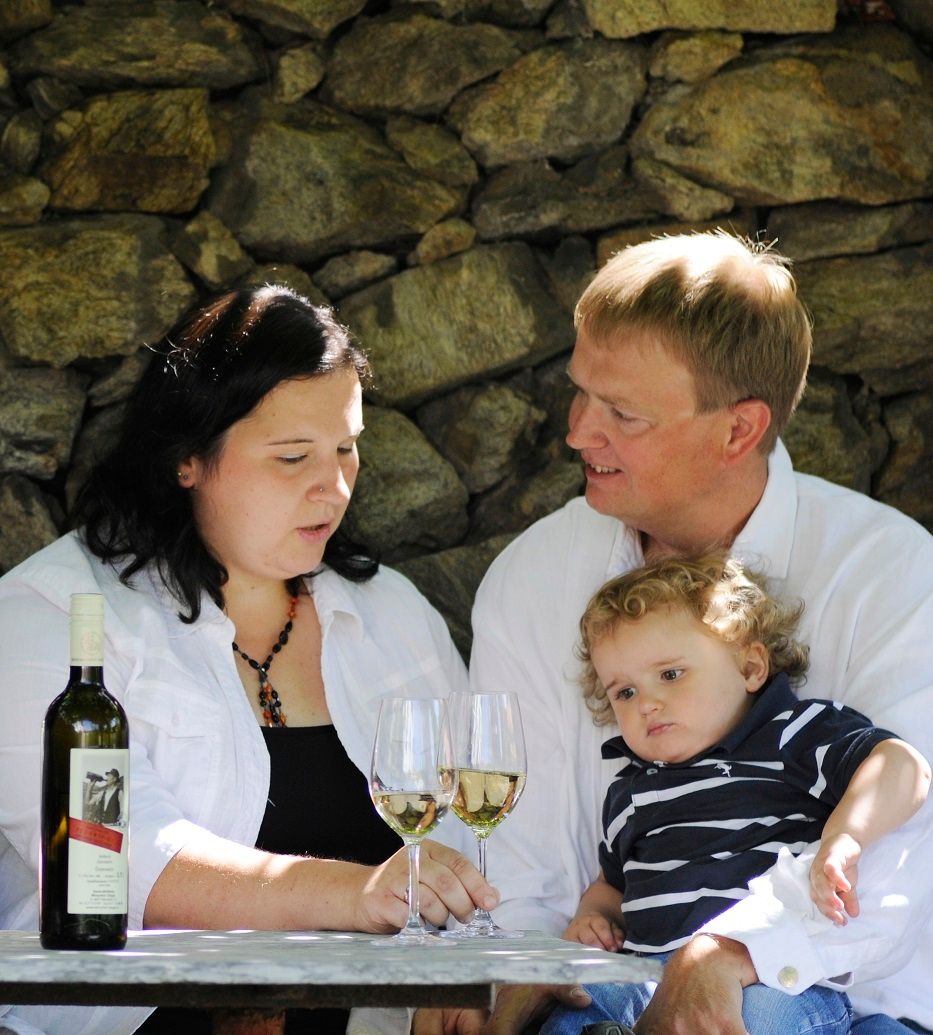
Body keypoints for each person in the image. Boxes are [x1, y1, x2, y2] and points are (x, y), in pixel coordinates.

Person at [457, 231, 933, 1035]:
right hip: (605, 991)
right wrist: (509, 981)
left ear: (738, 430)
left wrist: (731, 951)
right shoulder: (531, 574)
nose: (577, 432)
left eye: (622, 414)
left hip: (856, 1008)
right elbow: (516, 854)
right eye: (580, 394)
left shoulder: (895, 573)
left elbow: (906, 844)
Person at [0, 285, 493, 1035]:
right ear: (187, 459)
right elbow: (116, 856)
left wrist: (457, 970)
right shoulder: (55, 613)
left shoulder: (393, 613)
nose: (331, 486)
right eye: (292, 456)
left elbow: (473, 841)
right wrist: (355, 894)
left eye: (346, 448)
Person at [539, 553, 930, 1035]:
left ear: (749, 665)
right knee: (575, 1002)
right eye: (624, 692)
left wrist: (846, 835)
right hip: (643, 978)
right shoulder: (630, 791)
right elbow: (613, 885)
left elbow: (902, 765)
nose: (648, 703)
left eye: (670, 674)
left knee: (761, 1019)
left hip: (763, 973)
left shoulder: (789, 734)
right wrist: (591, 917)